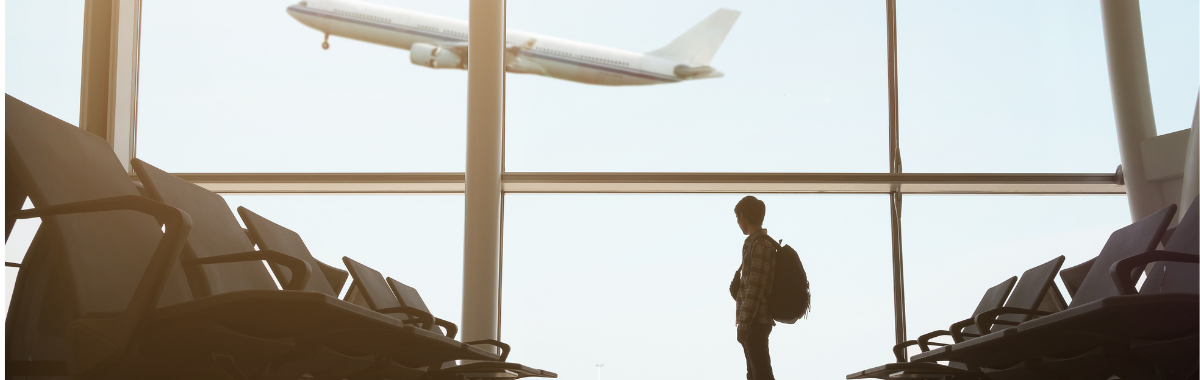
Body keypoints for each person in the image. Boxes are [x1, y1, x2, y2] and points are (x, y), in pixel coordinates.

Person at [732, 195, 776, 380]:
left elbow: (755, 289)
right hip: (754, 322)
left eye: (737, 219)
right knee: (754, 374)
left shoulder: (760, 245)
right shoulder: (755, 244)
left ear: (743, 216)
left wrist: (744, 323)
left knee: (761, 374)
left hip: (755, 322)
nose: (738, 223)